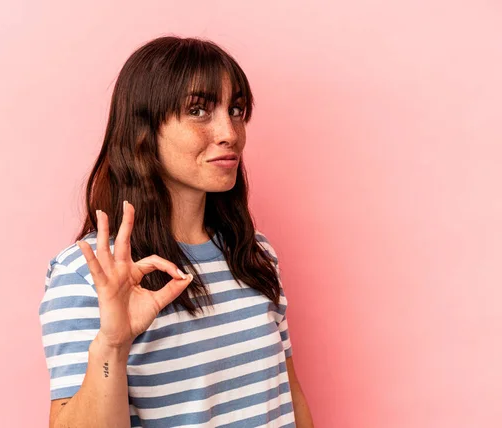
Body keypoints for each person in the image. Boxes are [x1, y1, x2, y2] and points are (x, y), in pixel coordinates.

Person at [39, 35, 314, 428]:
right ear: (143, 131)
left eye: (236, 110)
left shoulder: (254, 255)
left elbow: (290, 398)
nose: (230, 133)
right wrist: (113, 346)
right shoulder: (89, 274)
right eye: (199, 110)